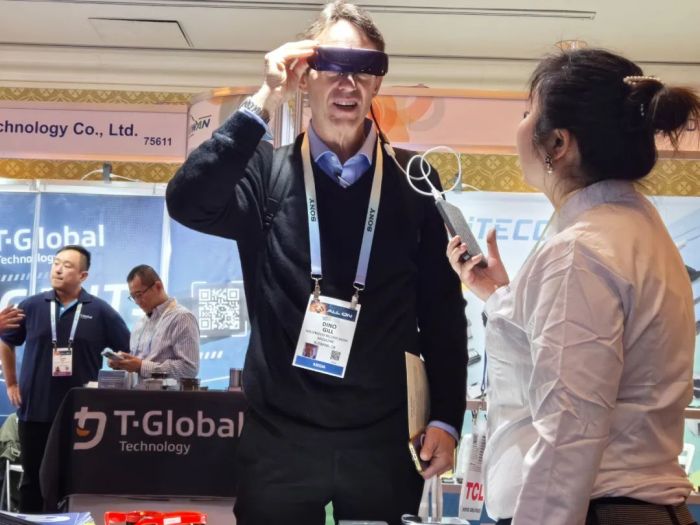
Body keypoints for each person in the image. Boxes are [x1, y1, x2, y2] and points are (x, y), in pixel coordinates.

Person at [166, 2, 467, 523]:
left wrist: (446, 417)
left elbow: (442, 308)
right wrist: (264, 99)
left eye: (364, 67)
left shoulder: (413, 178)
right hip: (279, 441)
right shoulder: (265, 171)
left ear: (377, 81)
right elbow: (188, 201)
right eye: (331, 64)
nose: (348, 82)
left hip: (383, 440)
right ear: (304, 75)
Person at [447, 48, 700, 525]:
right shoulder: (639, 230)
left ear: (558, 143)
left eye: (527, 113)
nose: (519, 127)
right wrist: (499, 296)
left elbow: (567, 434)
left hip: (598, 511)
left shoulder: (580, 251)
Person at [0, 245, 130, 512]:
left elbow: (128, 351)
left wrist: (119, 369)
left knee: (74, 482)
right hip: (35, 411)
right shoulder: (31, 306)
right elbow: (6, 341)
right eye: (56, 263)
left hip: (80, 415)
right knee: (32, 482)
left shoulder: (101, 311)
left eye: (67, 265)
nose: (58, 269)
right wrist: (11, 382)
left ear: (83, 276)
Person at [107, 264, 199, 380]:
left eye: (139, 295)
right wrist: (123, 364)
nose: (137, 301)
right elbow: (138, 367)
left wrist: (141, 366)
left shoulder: (182, 318)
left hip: (166, 392)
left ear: (158, 286)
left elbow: (189, 369)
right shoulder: (139, 324)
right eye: (133, 297)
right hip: (137, 391)